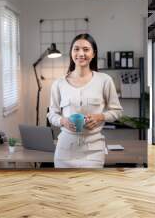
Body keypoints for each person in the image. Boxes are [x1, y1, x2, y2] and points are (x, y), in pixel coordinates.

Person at [47, 33, 123, 168]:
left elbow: (117, 112)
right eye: (76, 49)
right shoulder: (59, 84)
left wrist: (100, 117)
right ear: (71, 52)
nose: (80, 53)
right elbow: (52, 114)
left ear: (94, 54)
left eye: (86, 49)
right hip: (64, 150)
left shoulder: (104, 80)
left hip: (93, 151)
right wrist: (62, 121)